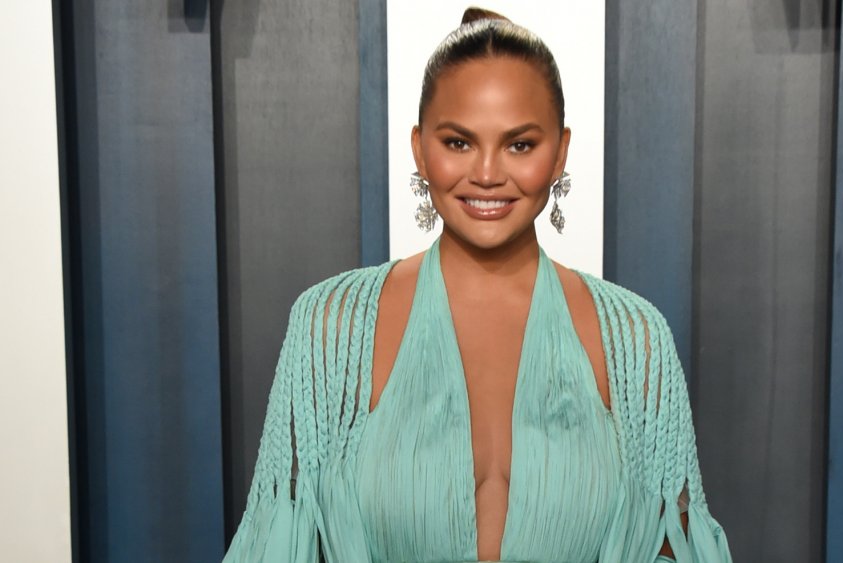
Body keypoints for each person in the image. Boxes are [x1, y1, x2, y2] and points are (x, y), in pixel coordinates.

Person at [223, 8, 732, 563]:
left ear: (561, 151)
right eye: (459, 142)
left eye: (520, 145)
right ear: (419, 148)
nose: (488, 173)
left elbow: (674, 547)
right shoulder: (331, 327)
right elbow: (281, 544)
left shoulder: (634, 340)